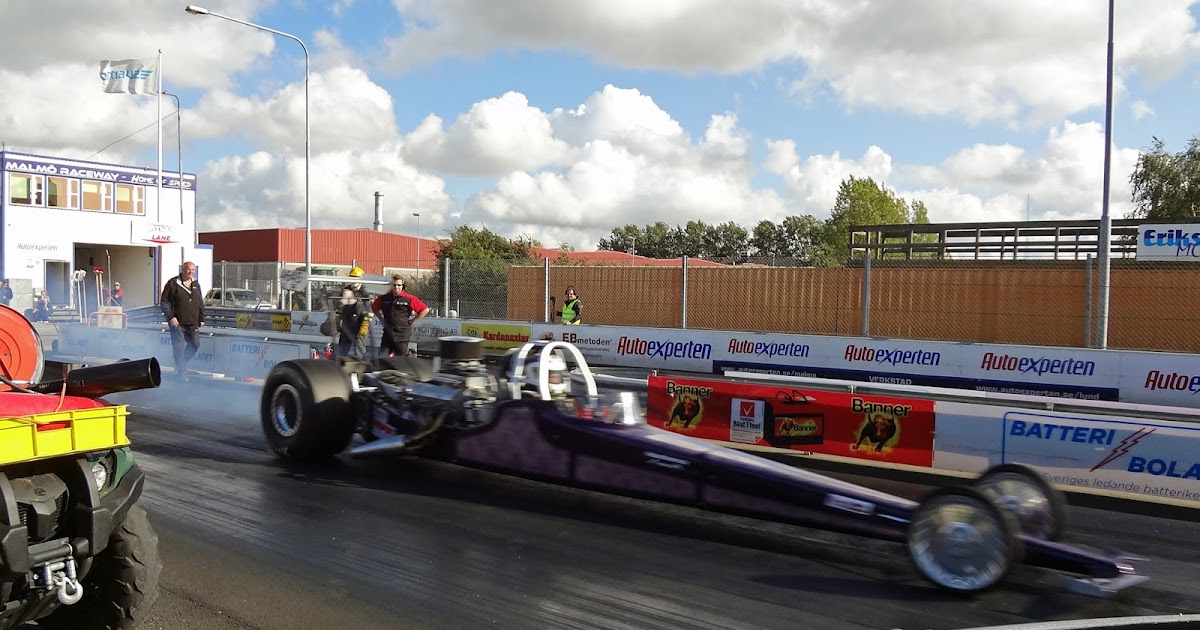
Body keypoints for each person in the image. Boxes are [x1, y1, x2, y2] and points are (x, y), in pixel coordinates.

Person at [159, 262, 205, 381]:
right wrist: (171, 317)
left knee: (195, 344)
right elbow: (164, 302)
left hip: (192, 322)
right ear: (183, 270)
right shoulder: (173, 283)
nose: (191, 272)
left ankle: (180, 364)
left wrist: (201, 318)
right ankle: (182, 374)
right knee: (179, 347)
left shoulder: (196, 284)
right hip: (177, 322)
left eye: (193, 270)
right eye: (188, 270)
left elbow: (200, 302)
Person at [371, 274, 429, 357]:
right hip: (388, 334)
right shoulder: (384, 298)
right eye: (394, 285)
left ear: (403, 286)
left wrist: (413, 320)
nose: (396, 287)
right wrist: (381, 319)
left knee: (400, 359)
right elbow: (374, 307)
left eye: (399, 285)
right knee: (382, 357)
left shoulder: (409, 298)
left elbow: (425, 310)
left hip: (402, 335)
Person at [335, 285, 371, 359]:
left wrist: (365, 325)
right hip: (347, 327)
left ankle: (360, 363)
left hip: (359, 329)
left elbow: (369, 312)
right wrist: (338, 319)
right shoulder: (346, 290)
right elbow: (339, 308)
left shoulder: (363, 296)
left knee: (359, 353)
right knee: (342, 351)